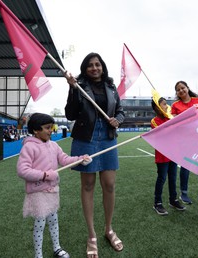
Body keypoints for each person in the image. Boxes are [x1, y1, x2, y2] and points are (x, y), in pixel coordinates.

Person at [64, 52, 125, 258]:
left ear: (102, 66)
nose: (94, 68)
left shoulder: (111, 86)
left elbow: (120, 110)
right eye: (90, 65)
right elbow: (70, 114)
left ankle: (108, 229)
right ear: (85, 68)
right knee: (88, 185)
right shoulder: (79, 85)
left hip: (107, 136)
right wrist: (72, 89)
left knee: (109, 185)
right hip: (85, 138)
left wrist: (118, 119)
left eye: (97, 64)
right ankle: (92, 236)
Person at [16, 113, 92, 258]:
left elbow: (64, 159)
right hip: (38, 192)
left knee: (53, 221)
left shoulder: (53, 145)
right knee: (40, 224)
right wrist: (44, 175)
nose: (51, 130)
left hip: (52, 190)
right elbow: (22, 170)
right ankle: (38, 255)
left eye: (52, 127)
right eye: (47, 128)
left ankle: (57, 248)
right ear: (36, 130)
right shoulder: (29, 147)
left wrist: (80, 159)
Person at [151, 97, 186, 215]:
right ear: (157, 107)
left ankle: (173, 200)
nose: (167, 106)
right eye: (164, 104)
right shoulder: (154, 121)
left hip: (173, 153)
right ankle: (157, 203)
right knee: (162, 178)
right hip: (162, 155)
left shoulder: (170, 118)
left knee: (172, 178)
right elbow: (162, 134)